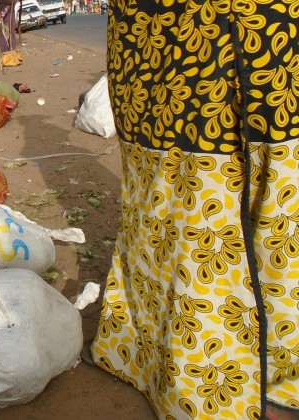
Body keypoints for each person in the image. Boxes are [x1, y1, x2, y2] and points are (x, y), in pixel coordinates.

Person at [90, 2, 299, 420]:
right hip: (189, 26)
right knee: (189, 196)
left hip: (180, 29)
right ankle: (233, 371)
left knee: (186, 195)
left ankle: (255, 366)